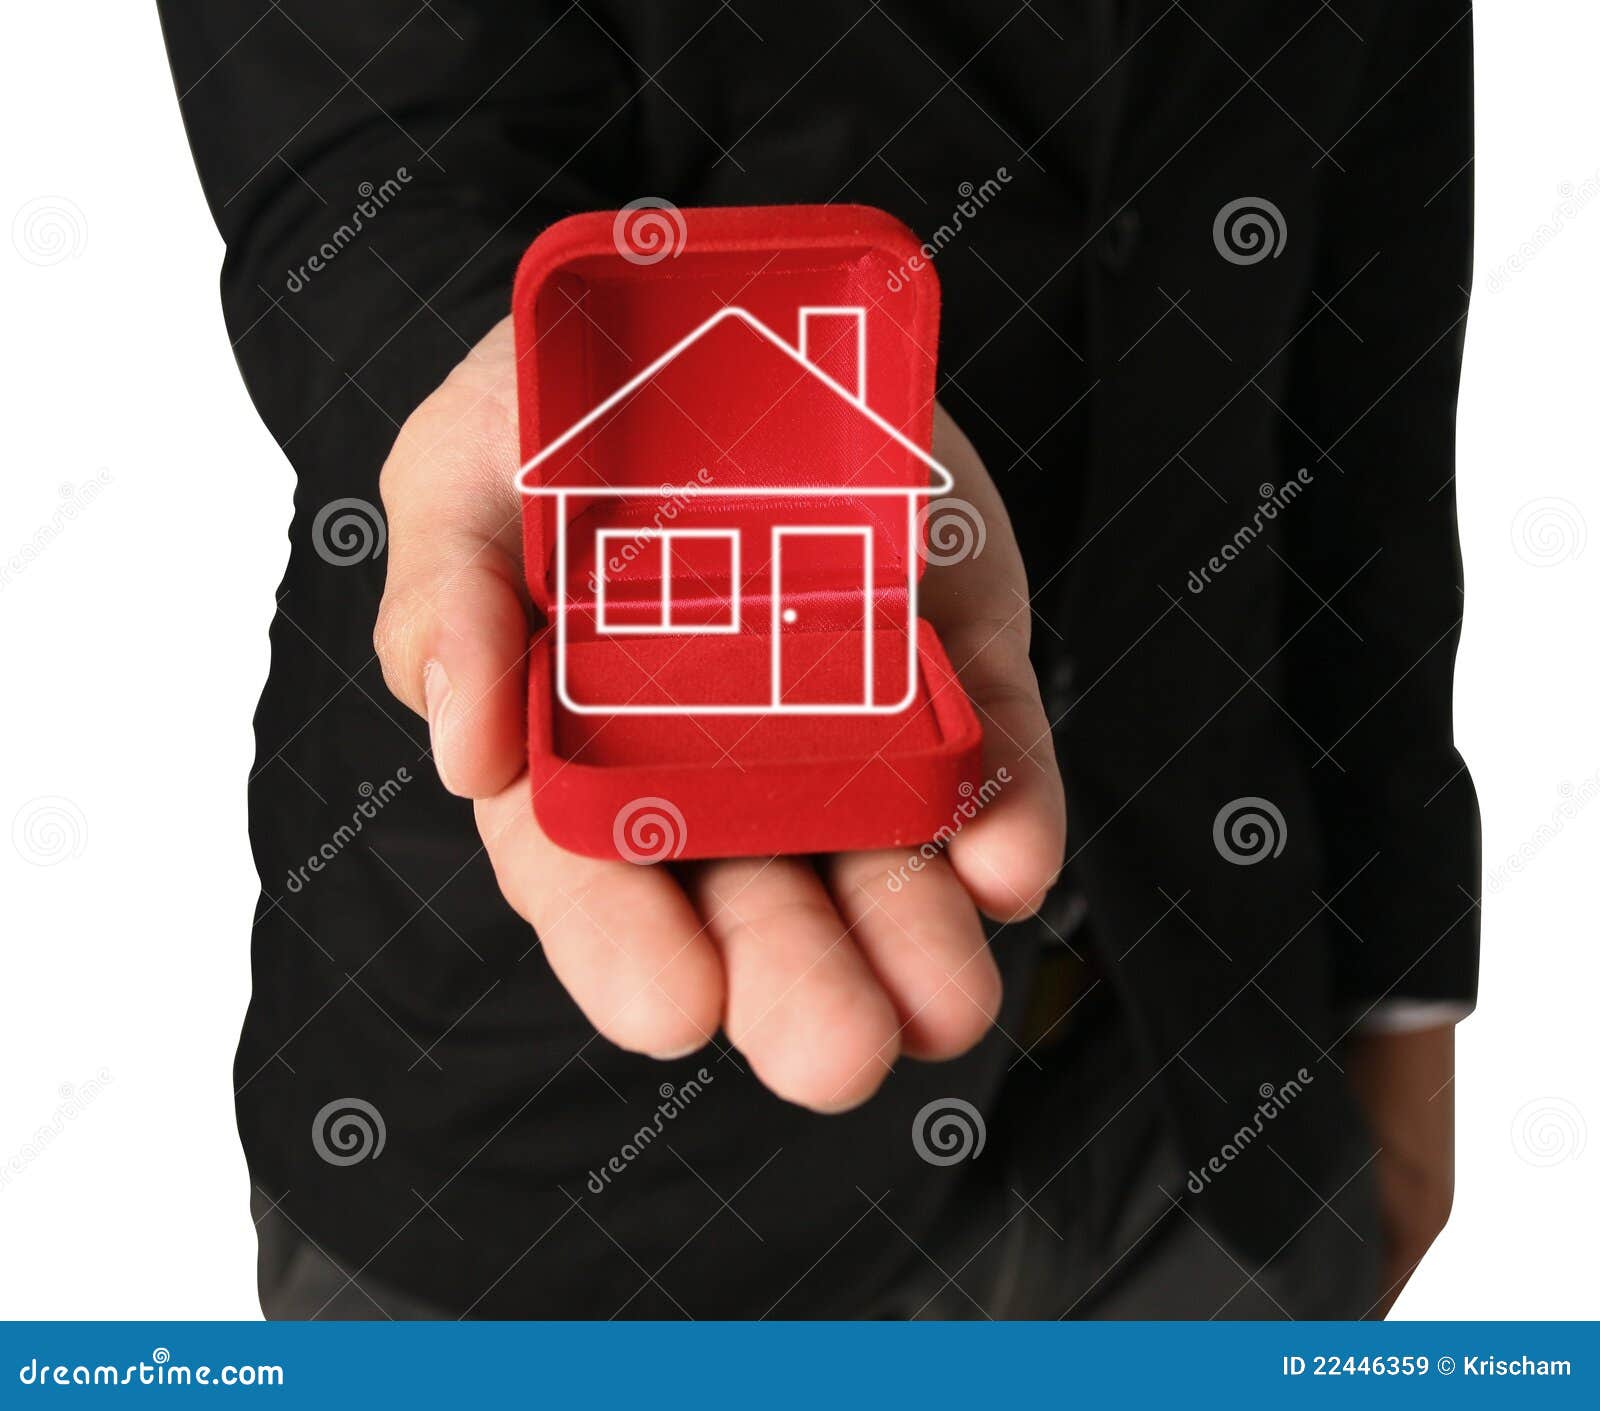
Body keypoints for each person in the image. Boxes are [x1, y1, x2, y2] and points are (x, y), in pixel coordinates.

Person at [156, 0, 1478, 1319]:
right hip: (567, 1166)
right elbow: (369, 136)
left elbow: (1367, 330)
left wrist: (1397, 990)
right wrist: (532, 388)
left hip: (1210, 1085)